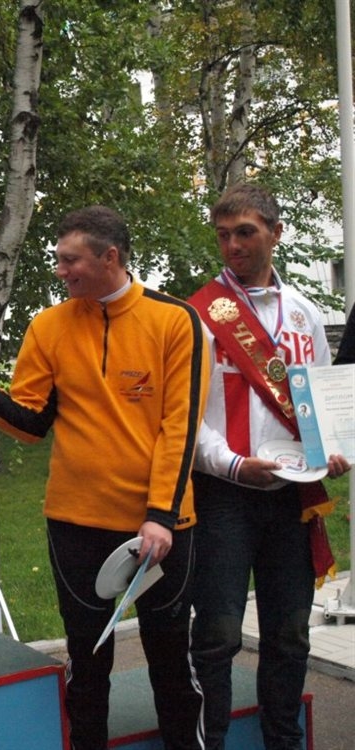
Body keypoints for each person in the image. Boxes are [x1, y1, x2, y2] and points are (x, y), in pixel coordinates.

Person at [0, 206, 207, 749]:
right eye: (58, 259)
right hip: (75, 523)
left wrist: (160, 515)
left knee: (172, 664)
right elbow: (33, 423)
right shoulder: (49, 325)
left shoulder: (176, 320)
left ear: (110, 257)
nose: (60, 270)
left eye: (70, 260)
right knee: (86, 667)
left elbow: (180, 429)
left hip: (158, 527)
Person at [187, 183, 351, 750]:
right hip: (224, 494)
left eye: (245, 233)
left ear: (275, 233)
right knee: (218, 634)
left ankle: (284, 741)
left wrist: (334, 450)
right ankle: (211, 742)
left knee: (290, 633)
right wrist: (233, 466)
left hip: (292, 497)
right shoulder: (198, 316)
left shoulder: (305, 314)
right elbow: (184, 418)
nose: (232, 245)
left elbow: (324, 403)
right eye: (223, 235)